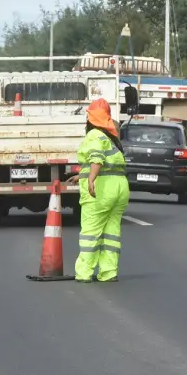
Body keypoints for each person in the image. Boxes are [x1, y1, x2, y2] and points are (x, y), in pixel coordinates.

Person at [67, 97, 130, 282]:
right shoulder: (111, 139)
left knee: (90, 232)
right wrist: (83, 175)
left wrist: (91, 179)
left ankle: (84, 273)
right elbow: (109, 164)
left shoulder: (94, 135)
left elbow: (96, 157)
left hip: (103, 189)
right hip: (119, 187)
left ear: (91, 119)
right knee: (111, 233)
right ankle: (109, 272)